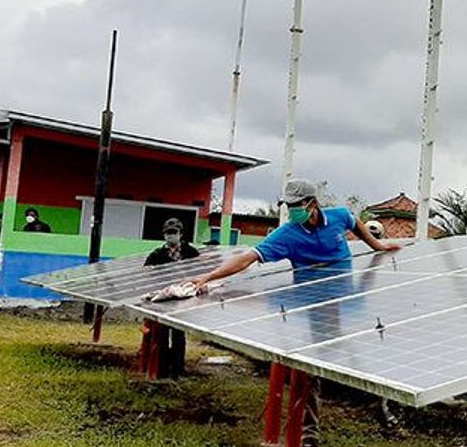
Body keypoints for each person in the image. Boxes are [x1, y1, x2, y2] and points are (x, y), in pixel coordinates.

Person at [191, 178, 402, 447]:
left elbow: (353, 221)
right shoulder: (287, 233)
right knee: (309, 370)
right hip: (310, 307)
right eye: (288, 206)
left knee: (364, 352)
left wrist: (378, 245)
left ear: (312, 203)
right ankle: (309, 433)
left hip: (344, 301)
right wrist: (209, 276)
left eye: (296, 205)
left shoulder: (337, 216)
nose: (292, 211)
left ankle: (377, 401)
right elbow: (248, 258)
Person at [143, 218, 201, 377]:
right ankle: (161, 370)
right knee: (161, 335)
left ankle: (177, 370)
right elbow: (146, 274)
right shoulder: (157, 254)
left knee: (178, 335)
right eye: (168, 233)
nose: (171, 236)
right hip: (163, 301)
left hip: (183, 301)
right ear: (164, 235)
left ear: (181, 234)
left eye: (174, 232)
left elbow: (200, 271)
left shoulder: (191, 253)